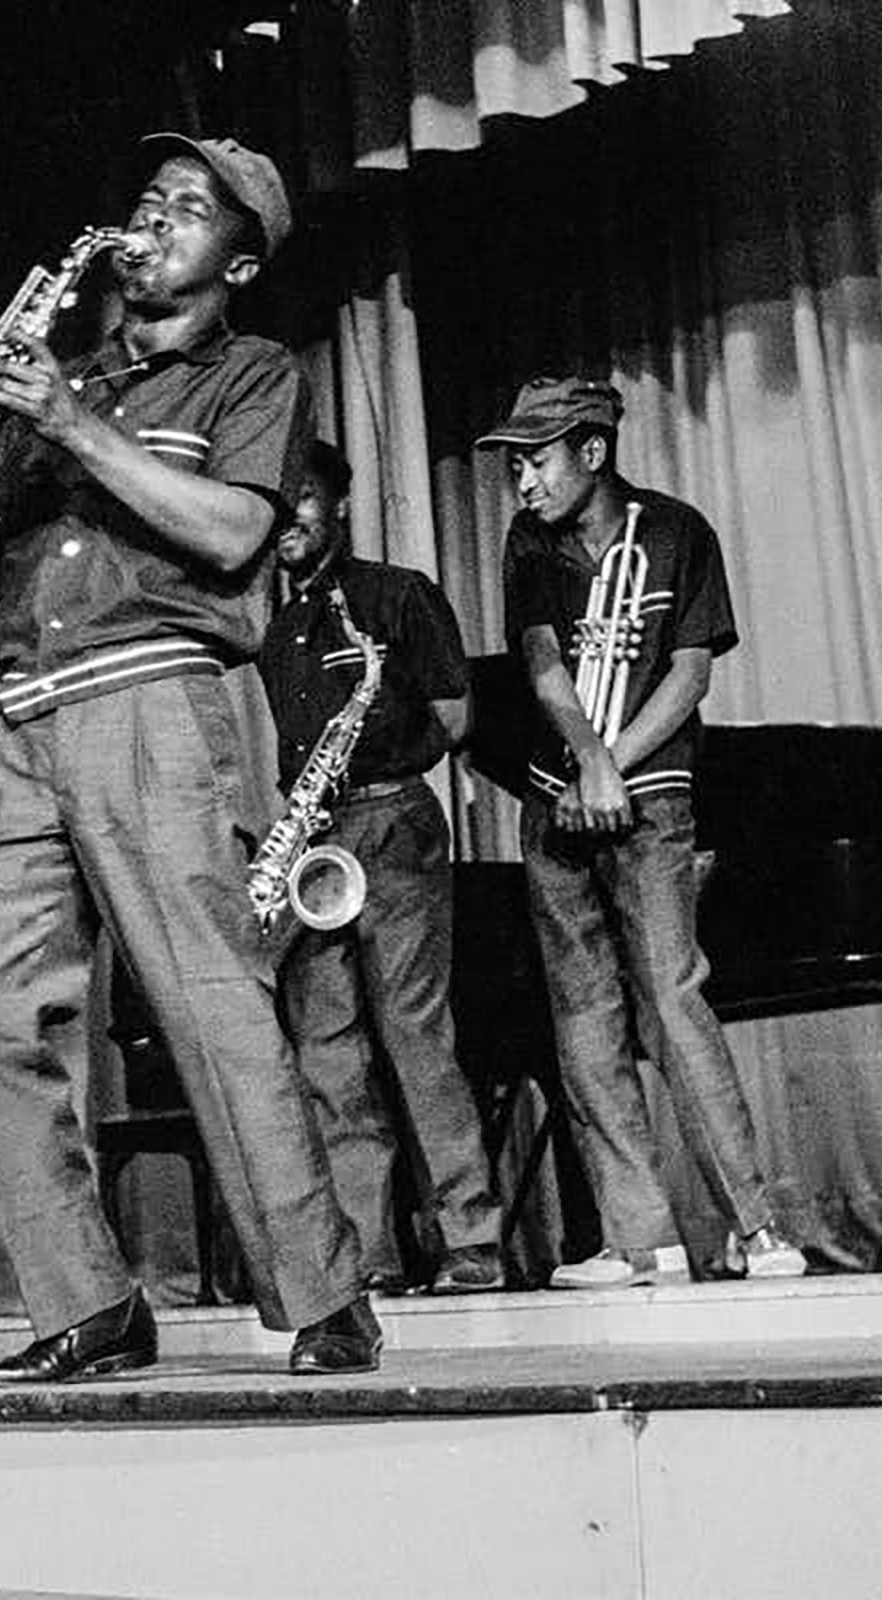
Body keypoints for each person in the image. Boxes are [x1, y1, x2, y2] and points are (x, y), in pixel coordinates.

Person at [0, 133, 382, 1382]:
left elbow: (232, 534)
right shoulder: (68, 390)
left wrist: (69, 422)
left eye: (186, 209)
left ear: (242, 258)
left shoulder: (252, 377)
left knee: (209, 1006)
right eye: (147, 198)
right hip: (24, 724)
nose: (153, 219)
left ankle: (325, 1298)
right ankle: (90, 1302)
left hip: (154, 708)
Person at [478, 375, 807, 1289]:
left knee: (672, 1000)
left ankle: (758, 1225)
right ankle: (639, 1240)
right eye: (513, 469)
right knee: (583, 1021)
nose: (523, 486)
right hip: (559, 799)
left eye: (535, 463)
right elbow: (543, 665)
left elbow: (691, 673)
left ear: (592, 452)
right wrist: (584, 761)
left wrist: (613, 763)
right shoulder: (529, 543)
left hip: (649, 793)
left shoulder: (676, 531)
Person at [256, 440, 506, 1296]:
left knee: (416, 1039)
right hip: (312, 840)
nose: (289, 518)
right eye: (277, 503)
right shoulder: (274, 621)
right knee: (329, 1057)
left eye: (306, 500)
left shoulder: (396, 595)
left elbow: (457, 715)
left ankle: (471, 1240)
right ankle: (368, 1255)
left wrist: (380, 768)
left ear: (341, 508)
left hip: (391, 818)